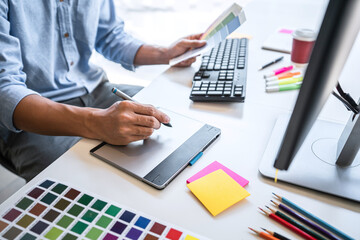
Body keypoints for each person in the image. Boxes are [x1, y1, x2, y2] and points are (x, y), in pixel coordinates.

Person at [0, 0, 206, 181]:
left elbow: (110, 36)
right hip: (30, 117)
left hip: (97, 89)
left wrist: (166, 53)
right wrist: (94, 122)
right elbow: (5, 91)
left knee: (176, 120)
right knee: (81, 184)